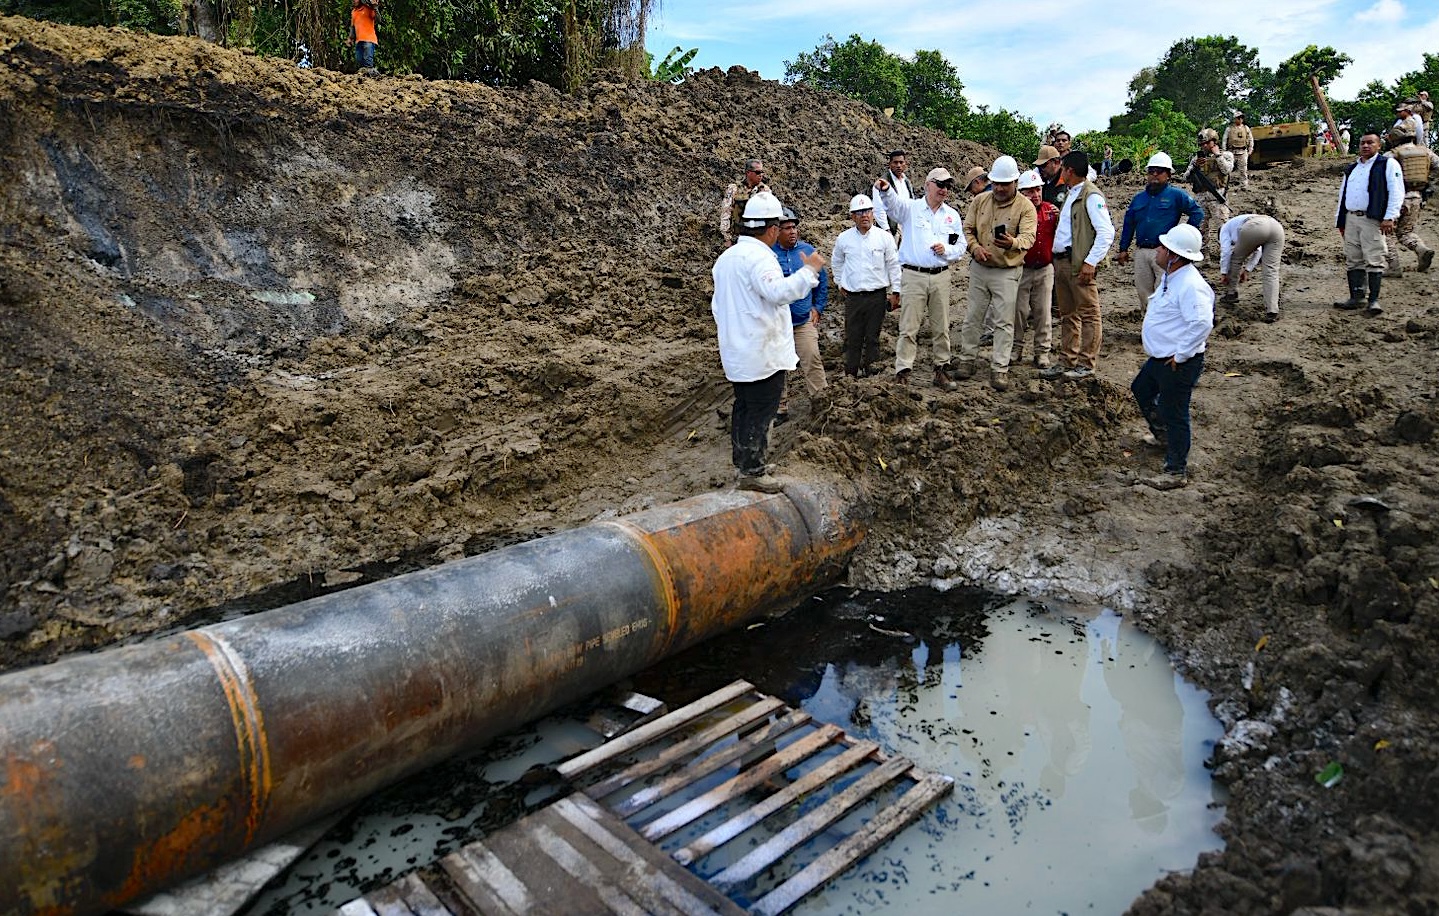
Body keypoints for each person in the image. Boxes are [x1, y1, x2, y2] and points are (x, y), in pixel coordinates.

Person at [711, 192, 825, 493]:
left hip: (738, 352)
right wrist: (809, 271)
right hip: (761, 352)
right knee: (762, 410)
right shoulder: (761, 258)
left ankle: (746, 461)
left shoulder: (727, 258)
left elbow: (717, 307)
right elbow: (780, 293)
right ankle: (753, 471)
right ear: (772, 229)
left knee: (744, 408)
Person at [1130, 223, 1214, 491]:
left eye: (1163, 247)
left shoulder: (1191, 285)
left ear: (1175, 255)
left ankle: (1176, 469)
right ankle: (1162, 435)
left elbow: (1202, 322)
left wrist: (1182, 355)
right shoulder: (1171, 275)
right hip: (1161, 358)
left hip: (1177, 362)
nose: (1157, 250)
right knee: (1141, 389)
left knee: (1175, 412)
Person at [877, 167, 966, 389]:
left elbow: (960, 245)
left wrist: (946, 249)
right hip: (913, 275)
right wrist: (887, 191)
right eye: (940, 184)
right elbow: (893, 207)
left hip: (941, 276)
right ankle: (903, 370)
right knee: (908, 326)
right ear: (927, 184)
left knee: (941, 326)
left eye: (948, 185)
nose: (944, 190)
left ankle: (941, 369)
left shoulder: (951, 215)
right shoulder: (912, 208)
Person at [954, 156, 1037, 390]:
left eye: (1005, 184)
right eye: (996, 183)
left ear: (1015, 183)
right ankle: (967, 360)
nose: (999, 188)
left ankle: (999, 368)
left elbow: (1029, 238)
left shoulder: (1025, 206)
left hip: (1007, 272)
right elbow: (967, 229)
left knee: (1003, 322)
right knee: (972, 318)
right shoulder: (980, 201)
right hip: (980, 269)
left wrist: (1012, 242)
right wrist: (974, 247)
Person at [1040, 151, 1115, 381]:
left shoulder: (1091, 196)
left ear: (1069, 170)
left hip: (1078, 263)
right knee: (1068, 314)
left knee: (1089, 314)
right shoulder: (1073, 194)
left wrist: (1090, 262)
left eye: (1063, 169)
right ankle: (1067, 360)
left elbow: (1106, 232)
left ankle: (1086, 363)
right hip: (1062, 262)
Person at [1115, 152, 1205, 310]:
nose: (1154, 175)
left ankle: (1162, 328)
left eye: (1160, 171)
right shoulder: (1139, 198)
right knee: (1143, 292)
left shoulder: (1176, 195)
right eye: (1151, 171)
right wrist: (1123, 249)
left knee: (1162, 292)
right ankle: (1148, 326)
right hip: (1142, 250)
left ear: (1169, 175)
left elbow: (1197, 213)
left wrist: (1180, 240)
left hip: (1164, 252)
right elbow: (1129, 224)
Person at [1334, 130, 1404, 315]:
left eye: (1370, 143)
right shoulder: (1352, 168)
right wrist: (1340, 220)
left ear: (1379, 145)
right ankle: (1356, 297)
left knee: (1374, 258)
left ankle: (1373, 301)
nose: (1365, 146)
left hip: (1371, 219)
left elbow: (1396, 191)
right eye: (1363, 143)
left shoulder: (1387, 164)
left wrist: (1389, 217)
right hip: (1351, 218)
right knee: (1353, 258)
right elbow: (1343, 194)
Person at [831, 194, 902, 377]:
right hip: (853, 298)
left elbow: (893, 265)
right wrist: (839, 282)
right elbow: (837, 262)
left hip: (876, 296)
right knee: (853, 338)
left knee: (873, 337)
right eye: (860, 212)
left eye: (868, 211)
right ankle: (851, 374)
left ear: (873, 213)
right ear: (852, 216)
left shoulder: (884, 238)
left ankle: (872, 374)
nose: (865, 215)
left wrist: (896, 291)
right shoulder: (844, 239)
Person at [772, 207, 829, 422]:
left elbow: (822, 282)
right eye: (786, 228)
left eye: (794, 227)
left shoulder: (807, 250)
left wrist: (818, 307)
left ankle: (821, 400)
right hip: (777, 323)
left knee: (812, 358)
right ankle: (780, 408)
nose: (792, 231)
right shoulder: (769, 255)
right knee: (778, 366)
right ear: (776, 231)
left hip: (802, 320)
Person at [1013, 169, 1059, 369]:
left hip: (1044, 268)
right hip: (1021, 268)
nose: (1035, 195)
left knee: (1043, 312)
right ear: (1021, 193)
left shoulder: (1051, 211)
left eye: (1038, 190)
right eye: (1030, 191)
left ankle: (1042, 352)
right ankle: (1016, 349)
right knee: (1018, 311)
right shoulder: (1015, 213)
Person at [1382, 122, 1439, 276]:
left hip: (1397, 197)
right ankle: (1421, 249)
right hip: (1416, 197)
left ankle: (1393, 267)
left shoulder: (1392, 154)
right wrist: (1429, 181)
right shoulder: (1426, 152)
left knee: (1387, 233)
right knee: (1406, 232)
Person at [1218, 214, 1286, 322]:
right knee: (1271, 271)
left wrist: (1224, 272)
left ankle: (1231, 294)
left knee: (1235, 259)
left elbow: (1226, 252)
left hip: (1255, 226)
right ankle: (1272, 311)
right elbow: (1258, 251)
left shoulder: (1224, 229)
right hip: (1276, 227)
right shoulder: (1236, 224)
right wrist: (1247, 270)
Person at [1181, 128, 1234, 259]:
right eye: (1201, 144)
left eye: (1206, 143)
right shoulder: (1196, 159)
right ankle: (1204, 256)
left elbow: (1227, 170)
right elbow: (1185, 177)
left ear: (1214, 141)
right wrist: (1195, 167)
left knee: (1223, 229)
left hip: (1217, 198)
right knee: (1201, 230)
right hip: (1201, 198)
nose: (1203, 146)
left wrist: (1218, 156)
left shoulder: (1226, 155)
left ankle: (1227, 257)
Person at [718, 159, 770, 247]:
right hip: (739, 238)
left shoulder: (765, 191)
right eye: (757, 172)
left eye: (762, 172)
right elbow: (726, 213)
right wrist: (727, 238)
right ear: (748, 173)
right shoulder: (734, 189)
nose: (761, 175)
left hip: (759, 238)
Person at [872, 150, 912, 234]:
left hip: (906, 227)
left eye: (901, 162)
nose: (898, 166)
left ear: (905, 164)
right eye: (895, 162)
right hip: (892, 229)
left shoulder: (906, 182)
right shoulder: (882, 183)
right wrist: (887, 230)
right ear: (890, 164)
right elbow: (878, 209)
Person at [1223, 113, 1254, 190]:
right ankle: (1225, 185)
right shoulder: (1229, 129)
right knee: (1227, 170)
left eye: (1241, 117)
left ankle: (1244, 185)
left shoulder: (1246, 128)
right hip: (1231, 152)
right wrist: (1224, 151)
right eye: (1238, 117)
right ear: (1235, 119)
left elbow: (1250, 139)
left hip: (1242, 152)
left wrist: (1250, 149)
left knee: (1243, 170)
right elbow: (1224, 140)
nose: (1240, 119)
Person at [349, 0, 379, 75]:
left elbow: (378, 19)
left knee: (367, 63)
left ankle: (372, 80)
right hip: (359, 40)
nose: (354, 1)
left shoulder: (368, 8)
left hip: (369, 40)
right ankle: (365, 81)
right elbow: (353, 26)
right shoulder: (353, 12)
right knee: (360, 62)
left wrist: (375, 7)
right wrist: (350, 38)